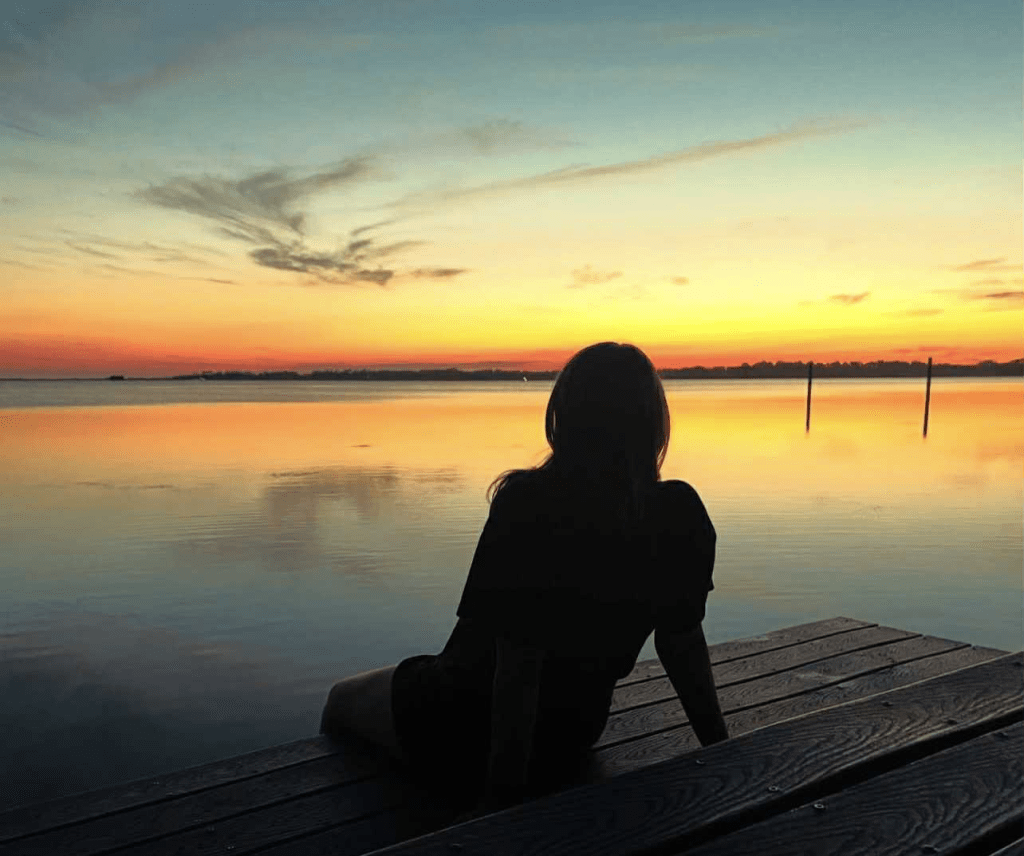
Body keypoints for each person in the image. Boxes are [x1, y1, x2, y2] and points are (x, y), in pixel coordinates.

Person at [320, 341, 728, 815]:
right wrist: (719, 747)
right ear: (653, 425)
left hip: (459, 721)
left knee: (340, 699)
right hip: (572, 733)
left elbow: (518, 668)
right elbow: (682, 645)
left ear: (563, 417)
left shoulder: (529, 503)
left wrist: (502, 809)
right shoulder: (679, 513)